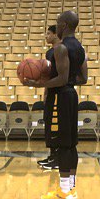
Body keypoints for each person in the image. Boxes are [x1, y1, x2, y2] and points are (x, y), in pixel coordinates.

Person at [24, 10, 87, 199]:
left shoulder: (61, 48)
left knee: (62, 145)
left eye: (58, 23)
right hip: (71, 95)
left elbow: (60, 79)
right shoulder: (80, 48)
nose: (56, 26)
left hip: (60, 97)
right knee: (71, 144)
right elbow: (83, 79)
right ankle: (71, 188)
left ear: (64, 26)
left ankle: (64, 191)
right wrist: (66, 81)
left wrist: (37, 84)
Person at [37, 25, 61, 171]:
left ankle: (58, 159)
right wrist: (45, 93)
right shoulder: (49, 53)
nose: (46, 36)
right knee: (49, 125)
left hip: (59, 92)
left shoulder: (60, 50)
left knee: (56, 126)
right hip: (51, 91)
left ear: (56, 35)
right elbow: (48, 76)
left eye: (48, 33)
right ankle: (52, 156)